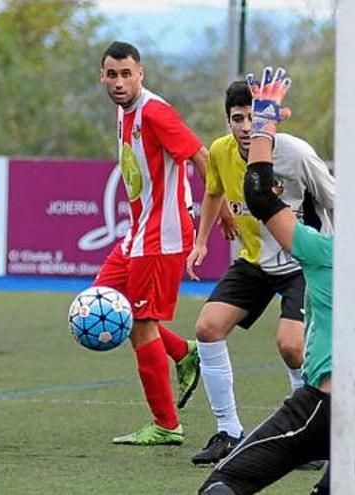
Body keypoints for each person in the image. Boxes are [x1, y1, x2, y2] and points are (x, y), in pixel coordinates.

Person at [199, 67, 355, 494]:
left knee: (221, 487)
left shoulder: (328, 254)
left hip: (327, 409)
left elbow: (259, 195)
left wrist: (265, 122)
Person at [186, 81, 335, 465]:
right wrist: (201, 241)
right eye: (238, 119)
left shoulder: (296, 153)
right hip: (255, 261)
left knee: (291, 346)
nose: (246, 126)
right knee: (207, 327)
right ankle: (229, 432)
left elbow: (335, 200)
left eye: (253, 117)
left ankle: (309, 436)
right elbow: (213, 192)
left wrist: (340, 258)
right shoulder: (220, 151)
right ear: (228, 121)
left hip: (302, 262)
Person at [97, 41, 225, 446]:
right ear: (102, 77)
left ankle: (167, 425)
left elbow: (202, 156)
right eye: (112, 74)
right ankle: (183, 352)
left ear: (141, 74)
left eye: (126, 74)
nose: (119, 82)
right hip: (137, 233)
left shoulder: (155, 111)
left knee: (139, 324)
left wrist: (222, 214)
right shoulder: (123, 111)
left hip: (162, 236)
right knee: (101, 300)